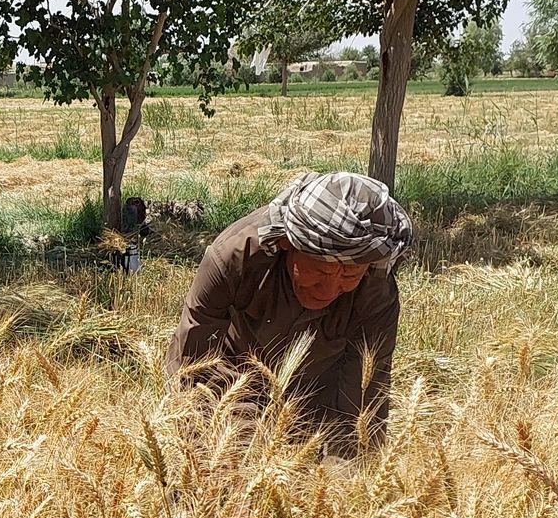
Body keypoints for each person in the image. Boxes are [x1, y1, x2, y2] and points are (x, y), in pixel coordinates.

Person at [164, 171, 412, 455]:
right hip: (233, 374)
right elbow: (193, 365)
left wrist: (354, 478)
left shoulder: (375, 290)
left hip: (315, 390)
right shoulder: (233, 258)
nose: (329, 289)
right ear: (287, 244)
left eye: (349, 274)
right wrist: (211, 452)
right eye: (319, 271)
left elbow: (365, 394)